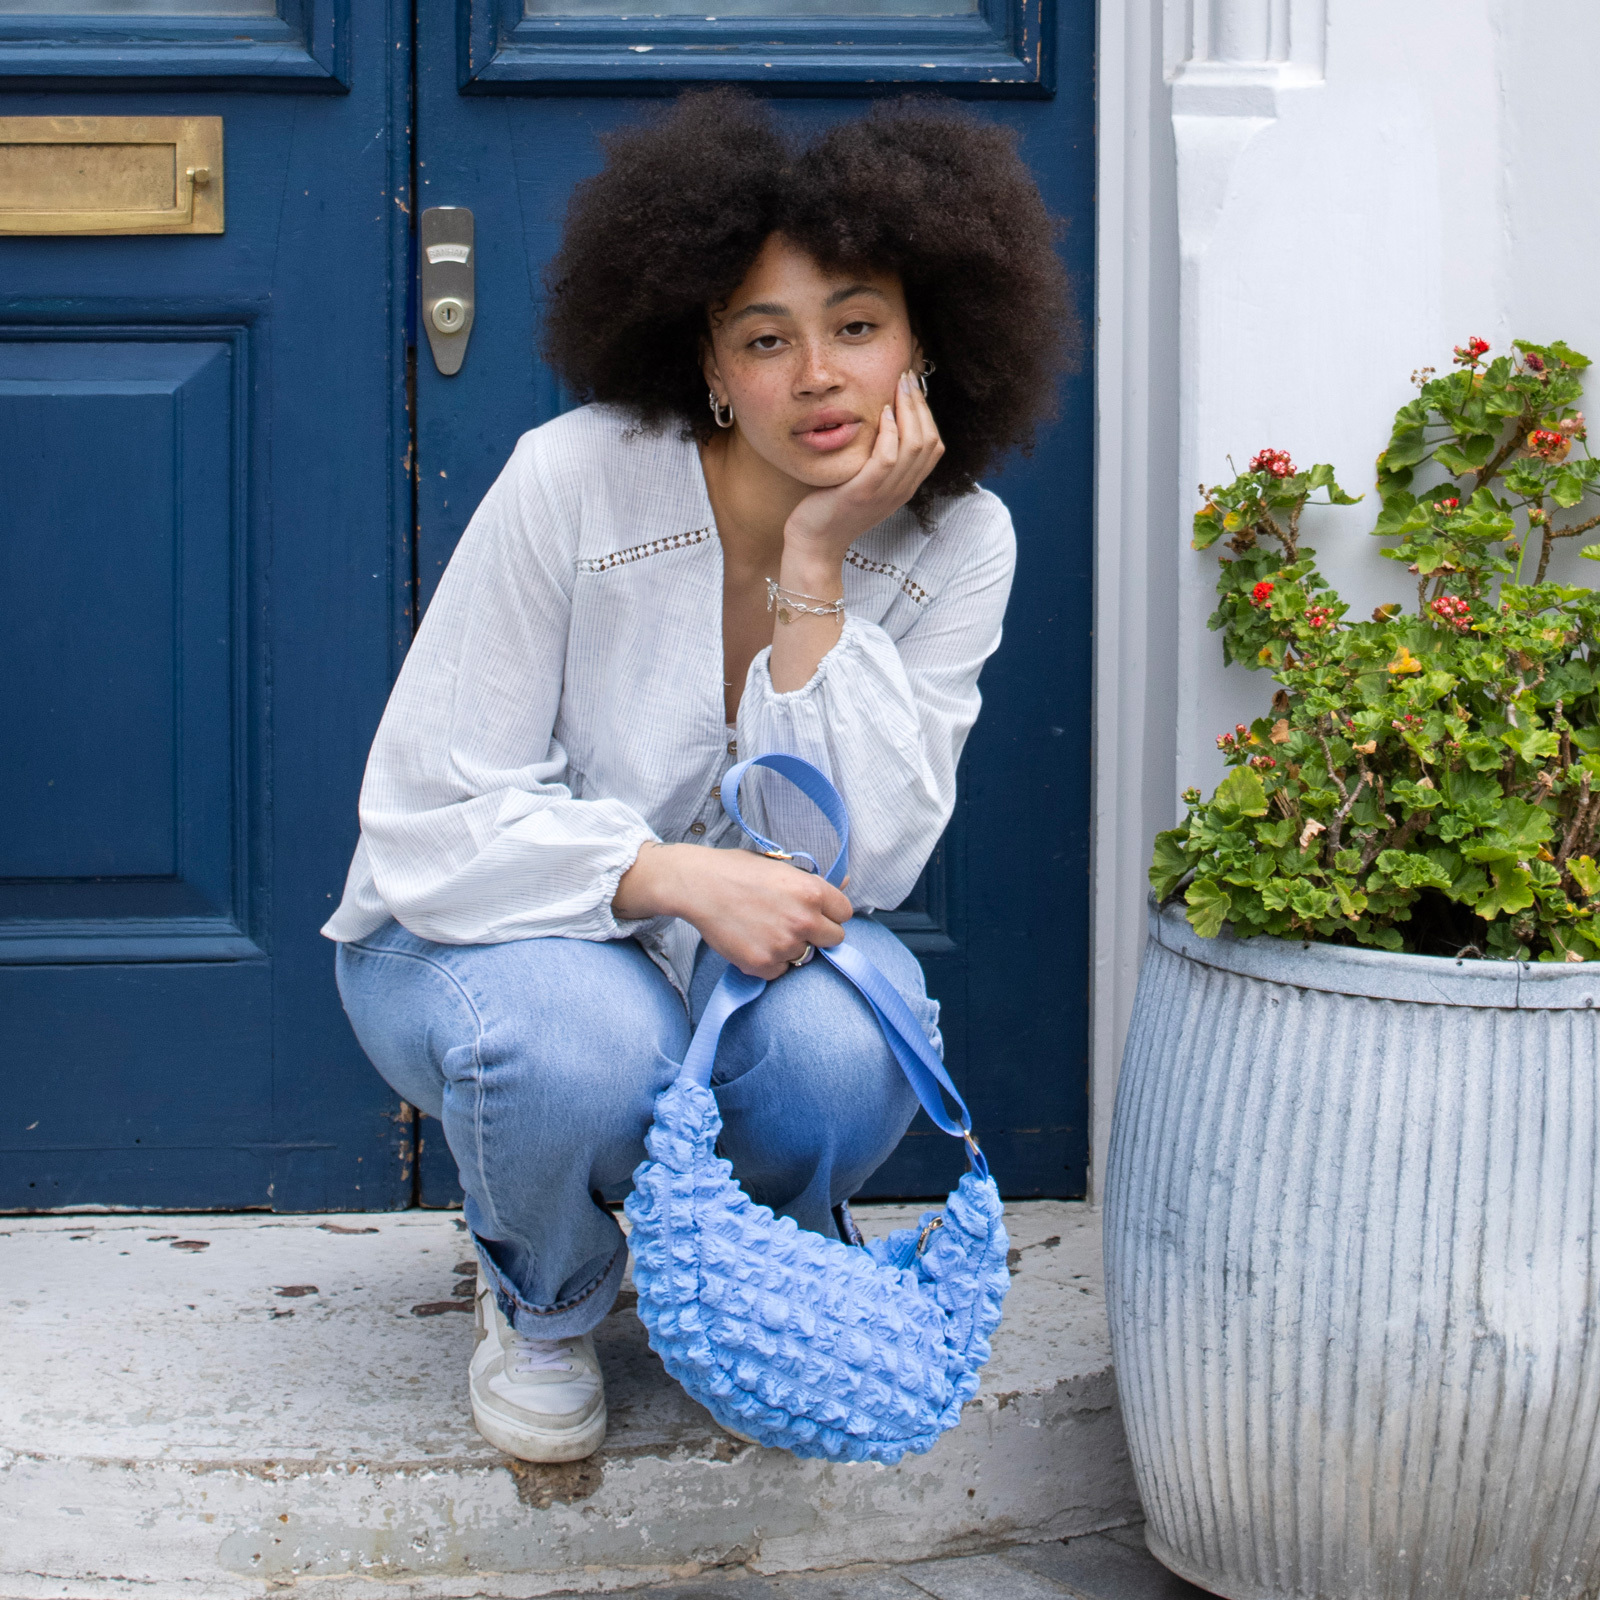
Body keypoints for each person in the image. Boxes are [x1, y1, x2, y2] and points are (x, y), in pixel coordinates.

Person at [324, 89, 1071, 1463]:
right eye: (765, 339)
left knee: (859, 1036)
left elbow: (876, 865)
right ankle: (545, 1300)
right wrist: (656, 872)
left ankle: (755, 1277)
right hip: (477, 942)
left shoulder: (964, 543)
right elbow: (428, 810)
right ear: (713, 369)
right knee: (583, 1044)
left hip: (750, 970)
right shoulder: (572, 483)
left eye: (857, 326)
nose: (819, 374)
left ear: (926, 343)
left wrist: (814, 570)